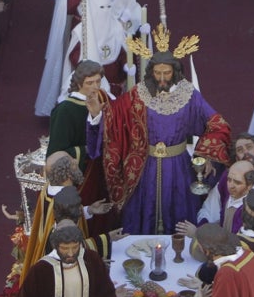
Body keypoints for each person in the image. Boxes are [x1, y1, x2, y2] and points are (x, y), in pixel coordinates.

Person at [86, 43, 230, 235]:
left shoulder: (189, 96)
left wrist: (207, 155)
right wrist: (98, 114)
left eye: (167, 73)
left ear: (175, 71)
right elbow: (115, 115)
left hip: (178, 167)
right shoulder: (139, 93)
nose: (162, 78)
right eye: (157, 73)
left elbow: (217, 124)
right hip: (145, 167)